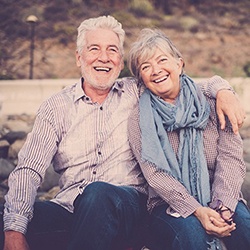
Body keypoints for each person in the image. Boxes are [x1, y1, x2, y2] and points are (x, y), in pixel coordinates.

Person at [1, 16, 246, 250]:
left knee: (98, 193)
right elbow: (29, 169)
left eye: (112, 50)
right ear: (79, 58)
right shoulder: (55, 107)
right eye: (94, 49)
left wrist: (223, 90)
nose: (104, 58)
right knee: (7, 215)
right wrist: (14, 231)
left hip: (127, 207)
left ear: (120, 61)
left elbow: (178, 85)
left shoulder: (136, 92)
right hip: (71, 208)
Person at [127, 28, 250, 250]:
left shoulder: (213, 101)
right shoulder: (140, 117)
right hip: (168, 204)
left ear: (179, 64)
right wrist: (197, 210)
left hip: (220, 195)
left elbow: (231, 159)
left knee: (244, 233)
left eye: (162, 60)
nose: (156, 70)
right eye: (146, 67)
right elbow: (155, 174)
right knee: (192, 237)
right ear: (142, 78)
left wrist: (223, 206)